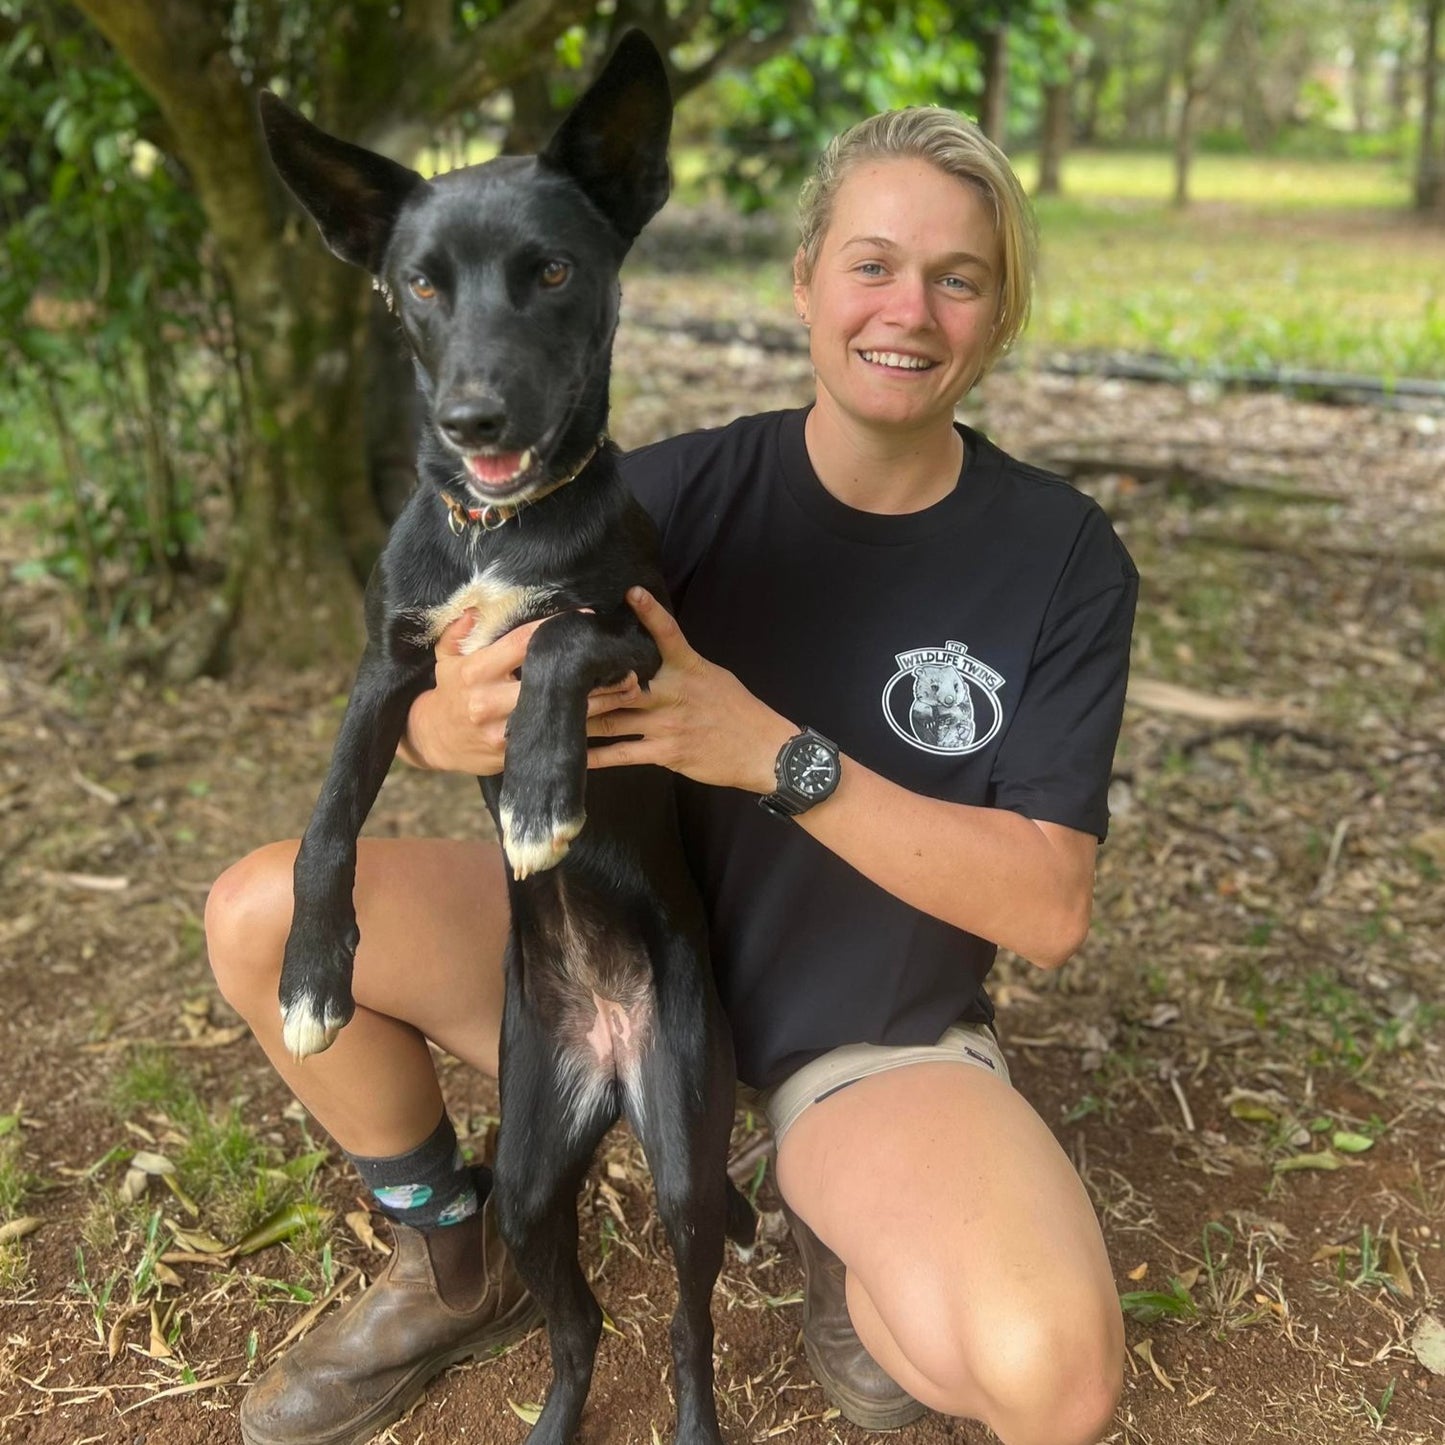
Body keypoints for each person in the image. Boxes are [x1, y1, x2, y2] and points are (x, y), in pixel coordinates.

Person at [208, 106, 1137, 1445]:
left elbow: (1048, 911)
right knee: (258, 917)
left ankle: (832, 1203)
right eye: (871, 262)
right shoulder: (651, 490)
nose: (910, 309)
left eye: (960, 277)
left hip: (856, 1036)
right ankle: (454, 1253)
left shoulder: (1058, 555)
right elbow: (425, 677)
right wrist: (442, 729)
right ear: (805, 280)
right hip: (612, 944)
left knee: (1048, 1374)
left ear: (999, 315)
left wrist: (769, 752)